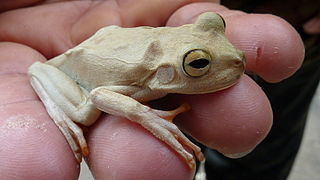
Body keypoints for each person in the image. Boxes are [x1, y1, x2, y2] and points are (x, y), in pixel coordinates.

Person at [0, 1, 315, 179]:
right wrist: (145, 115)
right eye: (199, 64)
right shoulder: (145, 81)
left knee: (257, 140)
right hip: (75, 70)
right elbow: (99, 95)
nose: (237, 56)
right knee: (85, 111)